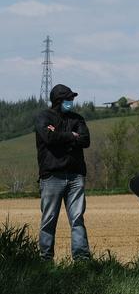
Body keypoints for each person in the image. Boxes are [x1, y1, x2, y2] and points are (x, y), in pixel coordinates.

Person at [34, 83, 92, 261]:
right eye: (69, 99)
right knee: (49, 219)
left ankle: (81, 258)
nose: (72, 101)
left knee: (77, 219)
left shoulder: (77, 118)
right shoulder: (43, 117)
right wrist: (71, 136)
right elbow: (48, 138)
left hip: (75, 175)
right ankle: (45, 259)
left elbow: (85, 140)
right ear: (59, 100)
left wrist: (61, 135)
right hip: (52, 175)